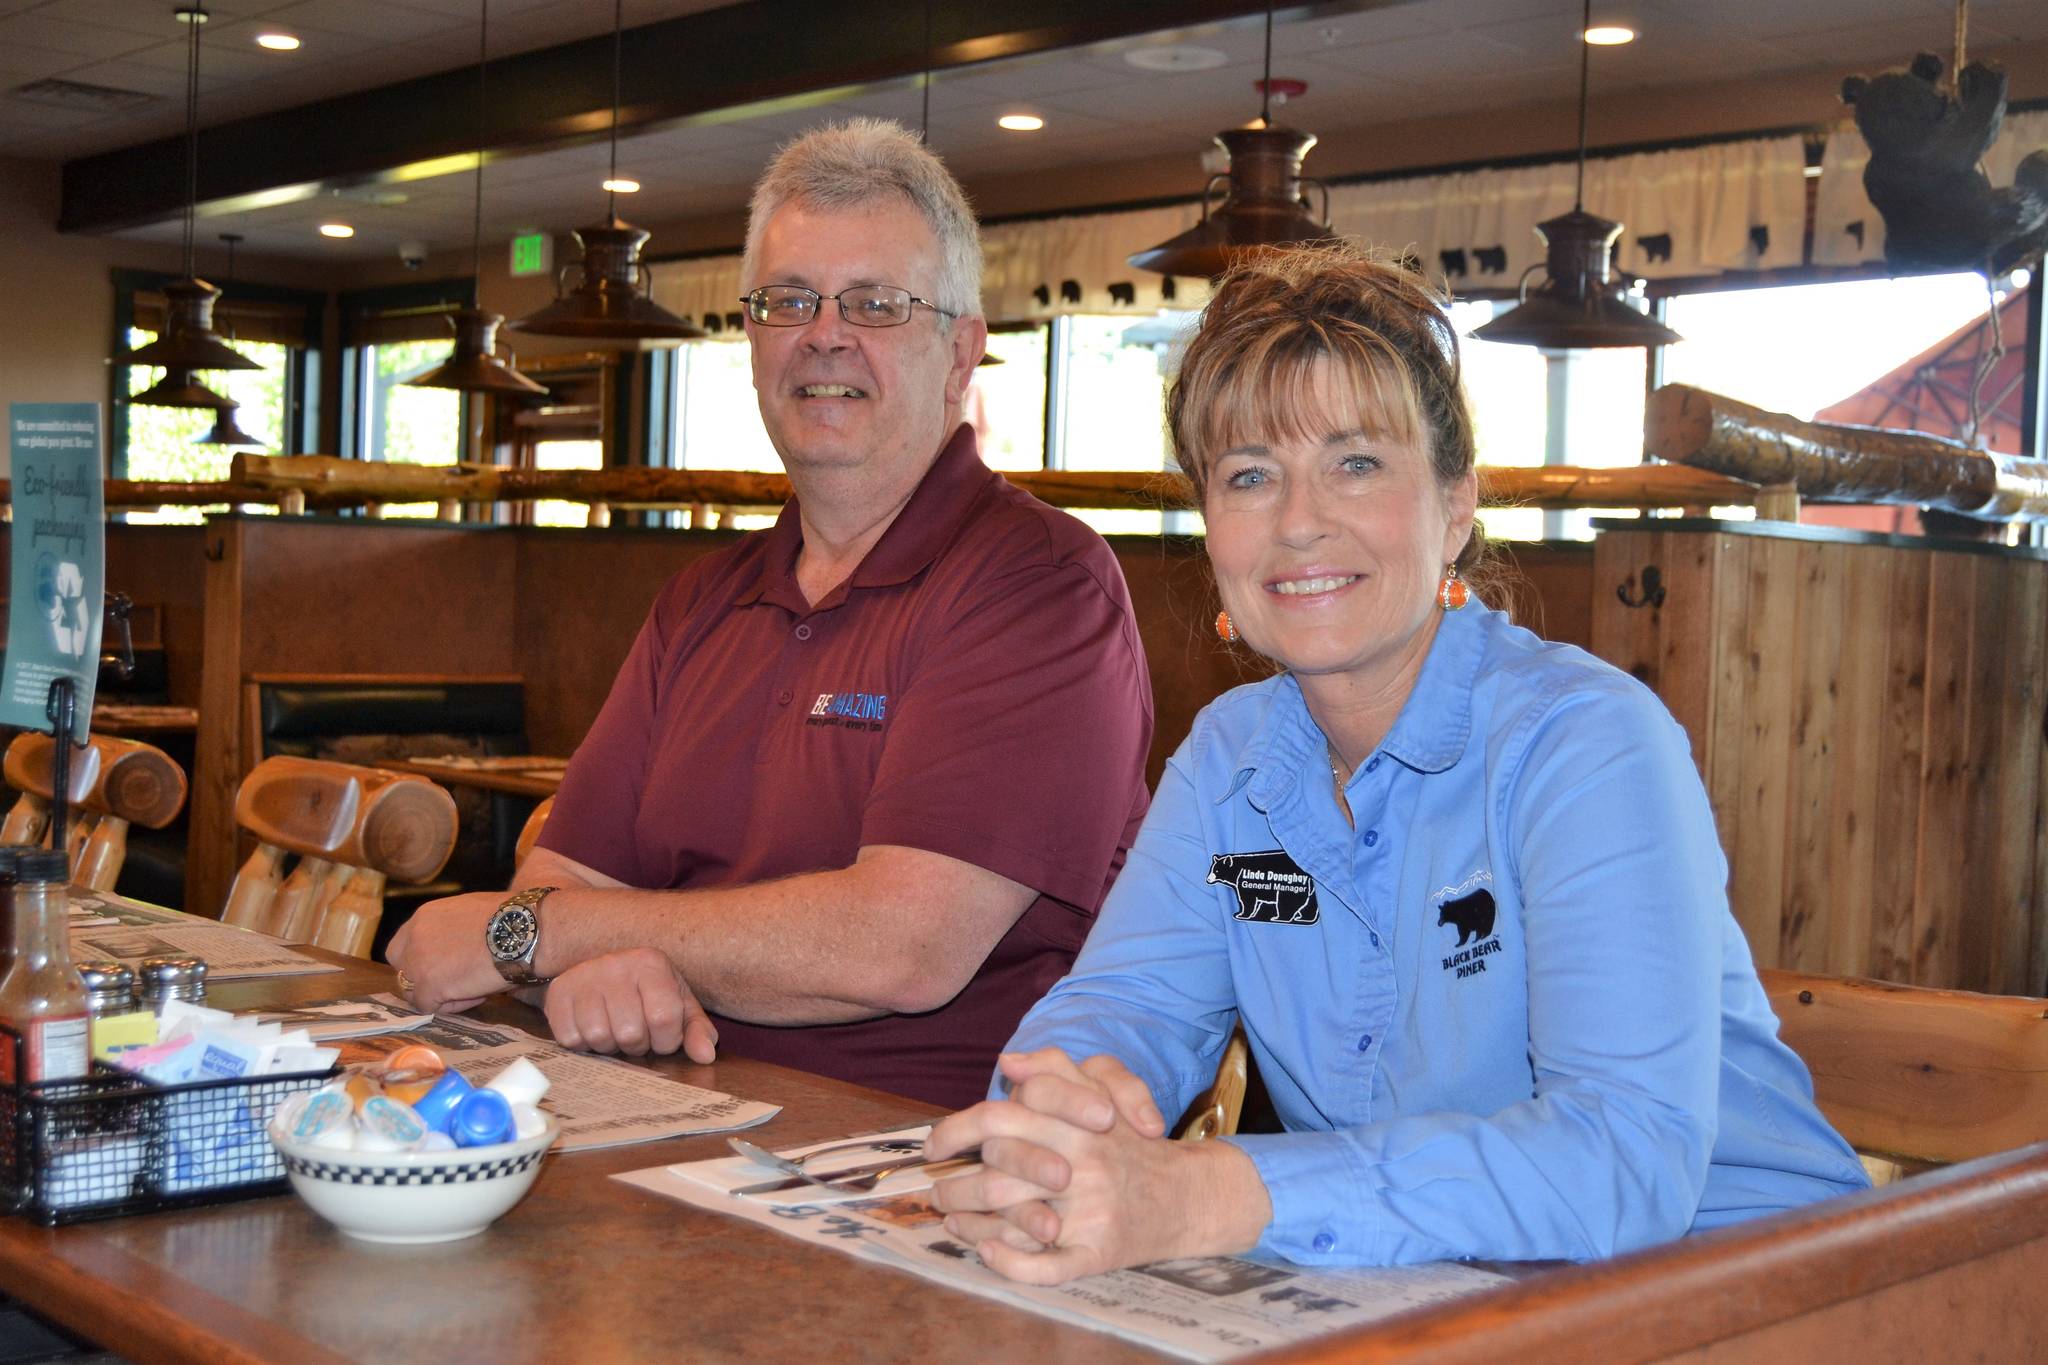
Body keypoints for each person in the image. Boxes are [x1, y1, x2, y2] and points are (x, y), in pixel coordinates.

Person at [924, 245, 1868, 1280]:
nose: (1298, 522)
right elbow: (1131, 1003)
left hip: (1748, 1292)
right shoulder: (1227, 763)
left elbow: (1620, 1160)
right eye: (1249, 475)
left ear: (1455, 506)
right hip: (1433, 1296)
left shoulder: (1588, 744)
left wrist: (1217, 1194)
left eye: (1357, 463)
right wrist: (1064, 1105)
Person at [388, 119, 1154, 1110]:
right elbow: (563, 873)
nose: (824, 334)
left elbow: (897, 948)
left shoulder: (1041, 583)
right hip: (663, 1119)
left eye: (875, 303)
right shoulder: (698, 600)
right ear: (751, 339)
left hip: (921, 1156)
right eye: (788, 300)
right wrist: (593, 964)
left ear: (960, 352)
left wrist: (542, 937)